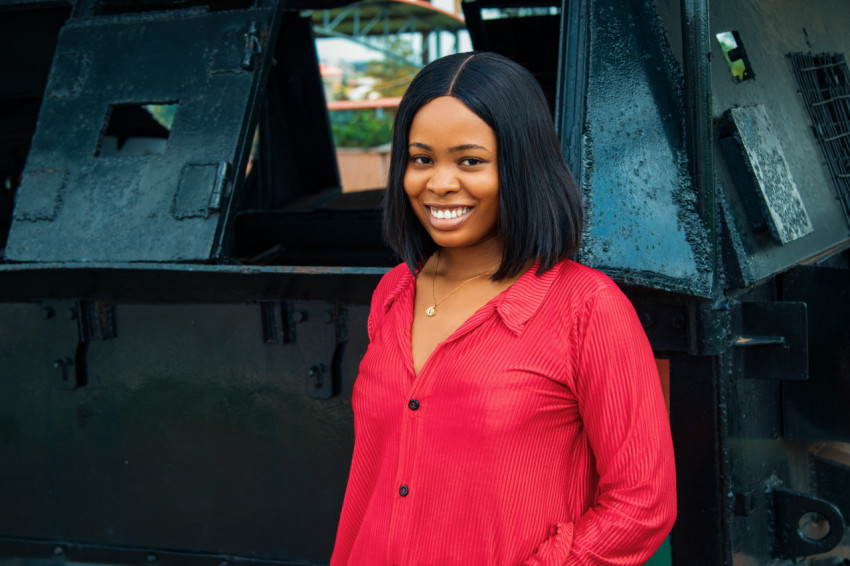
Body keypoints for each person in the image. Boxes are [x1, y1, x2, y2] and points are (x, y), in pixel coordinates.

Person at [330, 51, 676, 565]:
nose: (439, 183)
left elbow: (641, 505)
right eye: (421, 158)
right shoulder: (394, 293)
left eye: (470, 161)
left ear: (521, 167)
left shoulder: (588, 309)